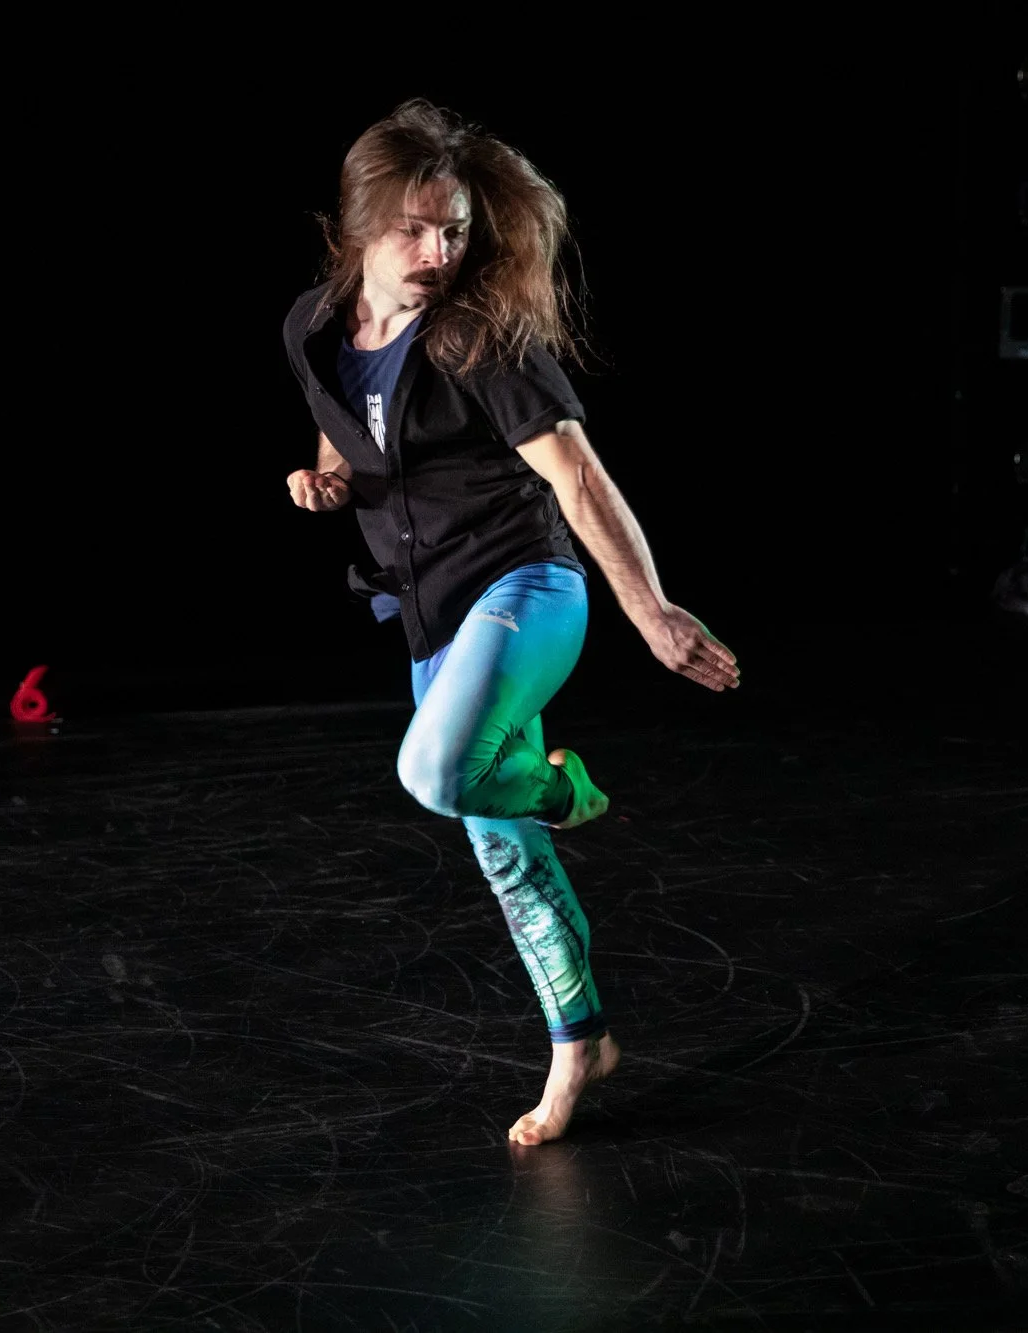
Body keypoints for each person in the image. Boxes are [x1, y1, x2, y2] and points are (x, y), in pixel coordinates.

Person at [282, 99, 739, 1145]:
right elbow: (341, 426)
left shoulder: (475, 340)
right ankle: (581, 1043)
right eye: (413, 228)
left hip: (528, 591)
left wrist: (654, 613)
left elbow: (577, 480)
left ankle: (563, 789)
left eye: (451, 229)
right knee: (506, 862)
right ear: (357, 226)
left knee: (434, 773)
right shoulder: (312, 325)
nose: (437, 250)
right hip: (432, 619)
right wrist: (321, 478)